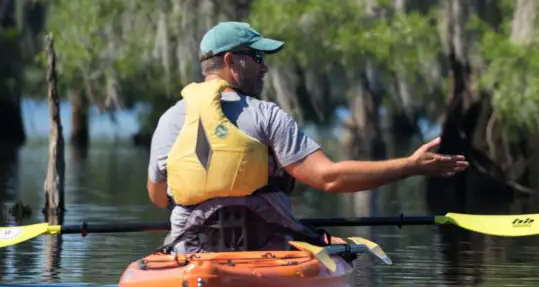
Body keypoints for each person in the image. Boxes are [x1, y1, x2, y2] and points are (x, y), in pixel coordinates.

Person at [146, 20, 469, 253]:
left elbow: (159, 198)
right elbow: (329, 179)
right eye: (257, 58)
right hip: (266, 252)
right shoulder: (266, 115)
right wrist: (409, 166)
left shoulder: (170, 121)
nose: (264, 68)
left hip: (191, 254)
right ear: (231, 61)